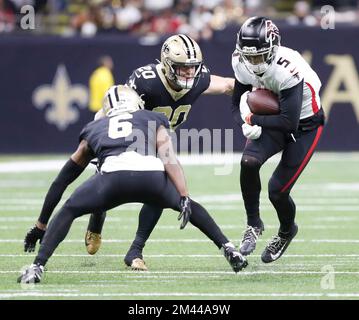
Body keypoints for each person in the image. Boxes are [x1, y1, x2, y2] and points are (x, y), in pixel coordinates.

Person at [23, 34, 235, 271]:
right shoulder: (146, 81)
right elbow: (118, 108)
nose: (188, 73)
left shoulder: (199, 78)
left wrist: (256, 89)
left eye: (192, 68)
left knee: (161, 187)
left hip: (159, 138)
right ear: (167, 65)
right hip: (133, 135)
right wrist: (100, 137)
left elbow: (228, 84)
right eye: (181, 68)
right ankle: (97, 216)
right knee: (111, 174)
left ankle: (135, 250)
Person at [18, 86, 247, 284]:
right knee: (191, 206)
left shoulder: (94, 127)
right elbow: (168, 158)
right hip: (152, 179)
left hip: (111, 181)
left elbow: (63, 179)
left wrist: (40, 225)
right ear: (136, 102)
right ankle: (229, 249)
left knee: (69, 209)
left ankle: (38, 265)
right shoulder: (152, 118)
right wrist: (183, 195)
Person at [231, 16, 325, 263]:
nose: (254, 63)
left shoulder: (287, 67)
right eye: (249, 57)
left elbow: (288, 123)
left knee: (277, 190)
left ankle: (286, 231)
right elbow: (234, 104)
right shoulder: (240, 61)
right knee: (248, 162)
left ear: (273, 47)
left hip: (305, 125)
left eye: (260, 56)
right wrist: (243, 119)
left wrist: (253, 120)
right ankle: (253, 224)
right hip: (274, 118)